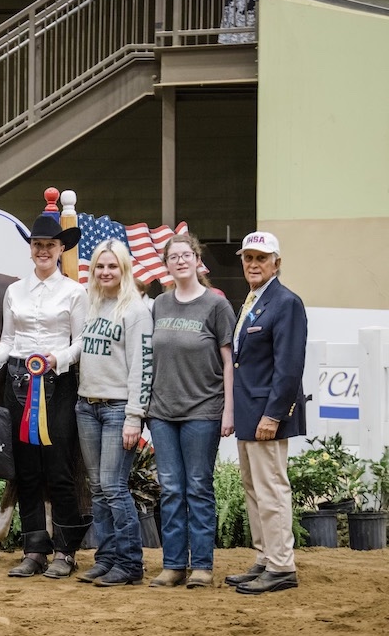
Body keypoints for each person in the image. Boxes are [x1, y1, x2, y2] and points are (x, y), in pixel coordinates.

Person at [0, 214, 90, 579]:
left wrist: (56, 358)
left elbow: (81, 343)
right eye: (37, 245)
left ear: (61, 249)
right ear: (31, 249)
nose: (43, 251)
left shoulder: (74, 292)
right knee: (26, 470)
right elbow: (7, 343)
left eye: (50, 245)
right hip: (18, 384)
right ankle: (34, 549)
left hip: (57, 385)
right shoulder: (14, 291)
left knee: (59, 470)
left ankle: (65, 551)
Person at [147, 234, 235, 589]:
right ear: (166, 264)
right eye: (174, 257)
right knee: (170, 488)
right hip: (163, 412)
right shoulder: (159, 305)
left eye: (187, 255)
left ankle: (201, 565)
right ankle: (172, 565)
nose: (181, 261)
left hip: (203, 410)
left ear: (198, 260)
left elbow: (229, 362)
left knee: (198, 487)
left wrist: (229, 410)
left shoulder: (216, 306)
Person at [225, 231, 307, 595]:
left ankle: (281, 566)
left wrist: (273, 415)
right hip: (248, 413)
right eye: (248, 258)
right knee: (254, 490)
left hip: (266, 416)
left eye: (261, 258)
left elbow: (288, 367)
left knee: (272, 490)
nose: (253, 264)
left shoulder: (286, 302)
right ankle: (265, 557)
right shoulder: (254, 299)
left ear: (277, 262)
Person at [75, 239, 153, 587]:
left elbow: (141, 367)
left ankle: (130, 563)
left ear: (124, 269)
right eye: (100, 267)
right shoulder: (89, 306)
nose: (105, 272)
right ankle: (105, 559)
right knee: (96, 489)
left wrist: (134, 416)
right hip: (86, 405)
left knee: (114, 486)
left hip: (118, 408)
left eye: (112, 266)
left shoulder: (135, 311)